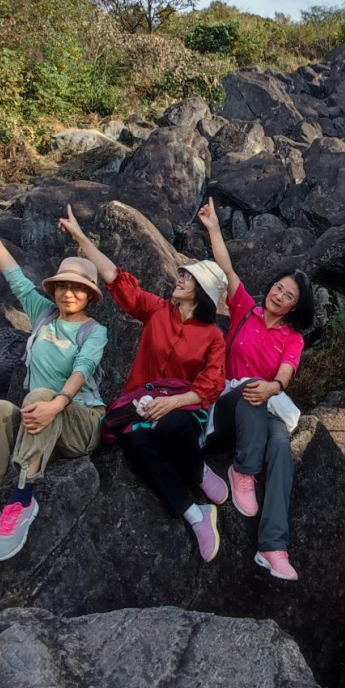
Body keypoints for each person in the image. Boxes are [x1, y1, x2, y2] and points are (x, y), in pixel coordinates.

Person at [58, 206, 228, 562]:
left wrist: (172, 402)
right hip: (139, 407)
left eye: (188, 276)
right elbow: (115, 279)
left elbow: (211, 384)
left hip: (183, 410)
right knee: (134, 440)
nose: (180, 276)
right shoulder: (157, 310)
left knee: (171, 427)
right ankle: (195, 514)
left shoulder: (213, 335)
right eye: (182, 272)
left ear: (203, 292)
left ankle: (198, 470)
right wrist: (80, 235)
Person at [0, 201, 108, 581]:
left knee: (37, 398)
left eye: (78, 289)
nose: (69, 293)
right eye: (64, 286)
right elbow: (14, 276)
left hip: (80, 421)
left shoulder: (95, 331)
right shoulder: (43, 315)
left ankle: (22, 500)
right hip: (39, 420)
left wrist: (57, 403)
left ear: (89, 296)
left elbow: (83, 369)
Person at [197, 197, 314, 581]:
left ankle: (273, 546)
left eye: (288, 295)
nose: (279, 295)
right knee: (250, 389)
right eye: (278, 288)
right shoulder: (246, 309)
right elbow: (227, 268)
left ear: (295, 307)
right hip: (228, 405)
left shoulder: (293, 338)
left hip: (265, 406)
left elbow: (285, 373)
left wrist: (274, 387)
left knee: (281, 447)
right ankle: (243, 471)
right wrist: (214, 228)